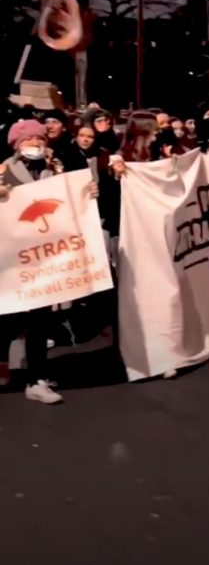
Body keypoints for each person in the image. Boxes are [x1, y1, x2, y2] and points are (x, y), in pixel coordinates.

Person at [0, 120, 96, 404]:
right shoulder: (4, 172)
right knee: (9, 317)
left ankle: (36, 379)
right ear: (17, 145)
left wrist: (87, 195)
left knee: (40, 319)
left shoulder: (55, 169)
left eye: (39, 140)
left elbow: (69, 200)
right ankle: (4, 364)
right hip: (14, 259)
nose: (35, 145)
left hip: (45, 258)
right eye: (28, 140)